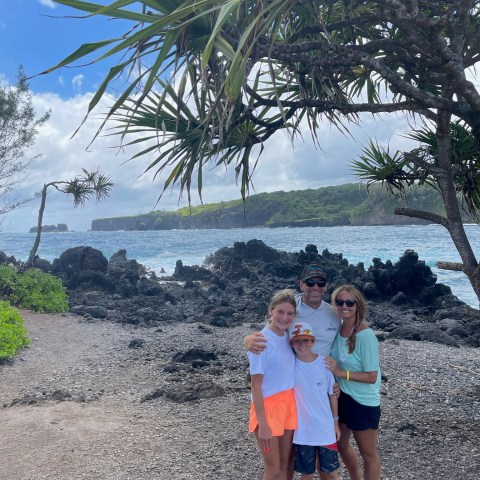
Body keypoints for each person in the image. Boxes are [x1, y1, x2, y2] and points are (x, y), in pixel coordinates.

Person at [325, 285, 381, 480]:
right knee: (340, 444)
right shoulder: (338, 330)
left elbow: (371, 376)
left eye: (350, 302)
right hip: (342, 397)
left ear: (358, 305)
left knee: (368, 454)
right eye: (339, 302)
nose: (344, 306)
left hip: (363, 401)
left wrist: (341, 373)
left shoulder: (365, 335)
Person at [248, 289, 298, 480]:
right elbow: (255, 386)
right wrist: (263, 424)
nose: (284, 318)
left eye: (289, 313)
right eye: (280, 312)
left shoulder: (287, 337)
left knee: (286, 463)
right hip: (267, 407)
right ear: (271, 311)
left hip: (288, 403)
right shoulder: (260, 342)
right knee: (273, 468)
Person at [245, 264, 340, 356]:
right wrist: (248, 340)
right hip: (291, 369)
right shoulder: (289, 308)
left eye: (321, 283)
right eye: (310, 283)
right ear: (301, 285)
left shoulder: (335, 314)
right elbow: (269, 334)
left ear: (326, 286)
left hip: (322, 370)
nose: (315, 287)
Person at [289, 321, 341, 480]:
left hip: (325, 429)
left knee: (331, 472)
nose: (301, 344)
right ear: (291, 344)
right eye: (296, 341)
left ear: (313, 342)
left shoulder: (324, 364)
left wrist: (335, 423)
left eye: (305, 340)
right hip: (303, 432)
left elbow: (332, 394)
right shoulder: (290, 364)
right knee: (307, 474)